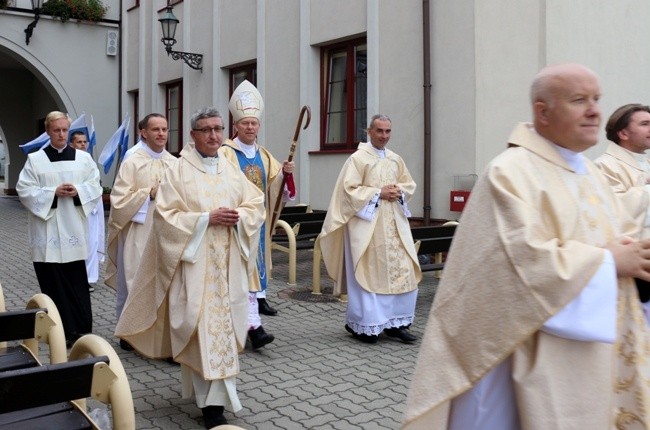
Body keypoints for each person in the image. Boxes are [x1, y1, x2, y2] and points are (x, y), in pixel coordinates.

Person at [403, 64, 650, 430]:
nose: (595, 110)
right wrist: (607, 262)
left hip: (593, 352)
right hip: (524, 352)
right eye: (579, 100)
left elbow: (615, 229)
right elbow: (516, 260)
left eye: (597, 99)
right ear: (543, 111)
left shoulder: (589, 171)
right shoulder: (511, 171)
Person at [115, 107, 265, 428]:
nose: (213, 135)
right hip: (195, 267)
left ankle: (214, 398)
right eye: (206, 130)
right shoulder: (179, 171)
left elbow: (254, 204)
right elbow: (165, 218)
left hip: (227, 267)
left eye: (218, 128)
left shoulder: (229, 167)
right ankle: (212, 407)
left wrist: (241, 217)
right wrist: (205, 220)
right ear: (193, 135)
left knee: (222, 333)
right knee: (200, 333)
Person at [319, 114, 422, 344]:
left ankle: (397, 323)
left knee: (403, 271)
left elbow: (408, 183)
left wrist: (400, 192)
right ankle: (365, 325)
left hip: (395, 226)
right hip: (369, 228)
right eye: (379, 131)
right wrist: (378, 193)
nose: (384, 136)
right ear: (369, 132)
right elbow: (348, 191)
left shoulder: (396, 159)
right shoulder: (358, 159)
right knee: (370, 272)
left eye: (388, 131)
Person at [16, 111, 102, 347]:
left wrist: (79, 192)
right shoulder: (36, 160)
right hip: (48, 233)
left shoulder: (84, 159)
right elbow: (24, 190)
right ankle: (59, 332)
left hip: (73, 229)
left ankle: (82, 330)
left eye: (65, 130)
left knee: (77, 283)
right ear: (48, 131)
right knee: (53, 283)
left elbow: (95, 186)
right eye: (56, 130)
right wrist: (52, 193)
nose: (61, 134)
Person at [219, 80, 295, 347]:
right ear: (236, 126)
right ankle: (248, 326)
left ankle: (251, 325)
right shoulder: (225, 154)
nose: (250, 127)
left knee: (252, 274)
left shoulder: (263, 154)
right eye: (245, 123)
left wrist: (285, 175)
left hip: (258, 226)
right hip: (235, 224)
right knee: (237, 276)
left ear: (259, 126)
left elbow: (275, 188)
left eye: (254, 123)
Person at [105, 113, 176, 350]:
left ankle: (162, 338)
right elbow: (118, 199)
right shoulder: (133, 162)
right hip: (138, 230)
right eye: (155, 129)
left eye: (164, 129)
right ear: (143, 133)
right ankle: (131, 333)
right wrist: (148, 194)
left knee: (166, 282)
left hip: (165, 231)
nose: (161, 134)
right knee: (135, 281)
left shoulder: (174, 163)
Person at [594, 103, 650, 320]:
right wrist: (646, 189)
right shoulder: (604, 166)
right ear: (623, 132)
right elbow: (613, 211)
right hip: (636, 264)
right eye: (645, 124)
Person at [69, 130, 105, 293]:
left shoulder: (89, 159)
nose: (83, 144)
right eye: (79, 142)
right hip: (78, 206)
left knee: (92, 241)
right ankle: (77, 277)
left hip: (94, 205)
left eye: (85, 142)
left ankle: (89, 278)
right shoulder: (69, 162)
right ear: (72, 144)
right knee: (79, 241)